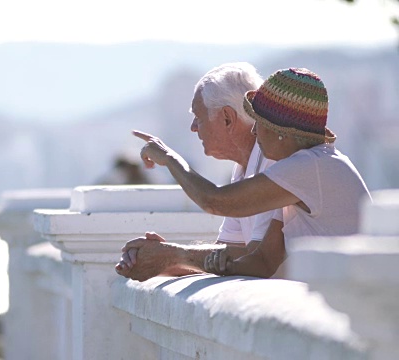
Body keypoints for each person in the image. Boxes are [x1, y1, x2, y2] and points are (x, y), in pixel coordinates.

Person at [118, 67, 371, 279]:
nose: (254, 131)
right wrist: (167, 259)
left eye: (259, 122)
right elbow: (260, 260)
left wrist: (170, 160)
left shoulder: (307, 166)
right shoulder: (294, 171)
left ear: (280, 131)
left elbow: (215, 201)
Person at [115, 62, 277, 281]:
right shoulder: (243, 167)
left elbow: (254, 257)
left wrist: (170, 160)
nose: (193, 127)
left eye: (199, 117)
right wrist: (162, 260)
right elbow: (225, 256)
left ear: (227, 118)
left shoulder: (273, 160)